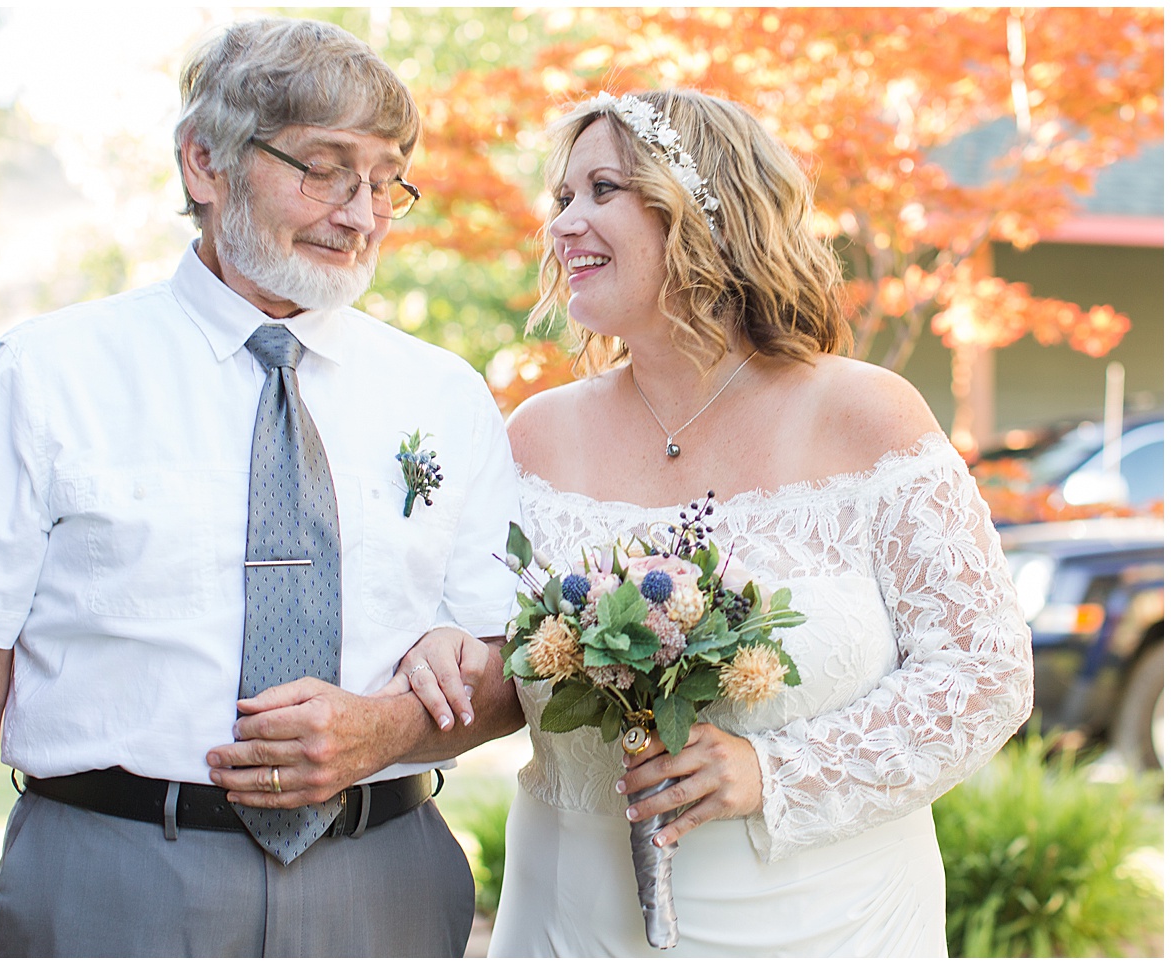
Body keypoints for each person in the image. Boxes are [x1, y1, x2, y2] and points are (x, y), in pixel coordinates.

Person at [0, 18, 523, 958]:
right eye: (323, 168)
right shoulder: (48, 372)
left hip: (383, 885)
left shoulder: (446, 394)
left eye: (386, 179)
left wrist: (381, 731)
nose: (360, 212)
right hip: (108, 883)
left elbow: (514, 672)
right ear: (205, 163)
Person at [397, 88, 1034, 956]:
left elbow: (986, 670)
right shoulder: (534, 436)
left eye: (602, 190)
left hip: (829, 919)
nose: (564, 224)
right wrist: (443, 642)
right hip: (573, 916)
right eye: (560, 199)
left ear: (702, 206)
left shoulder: (867, 416)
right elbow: (487, 647)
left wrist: (774, 771)